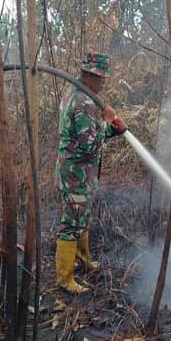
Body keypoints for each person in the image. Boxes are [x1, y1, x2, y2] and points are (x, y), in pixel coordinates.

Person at [54, 52, 127, 293]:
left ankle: (82, 260)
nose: (104, 82)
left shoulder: (77, 96)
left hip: (78, 173)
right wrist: (107, 122)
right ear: (89, 75)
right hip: (76, 174)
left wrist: (111, 129)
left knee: (80, 218)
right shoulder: (83, 104)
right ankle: (65, 278)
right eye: (101, 77)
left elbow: (89, 136)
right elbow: (90, 145)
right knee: (72, 224)